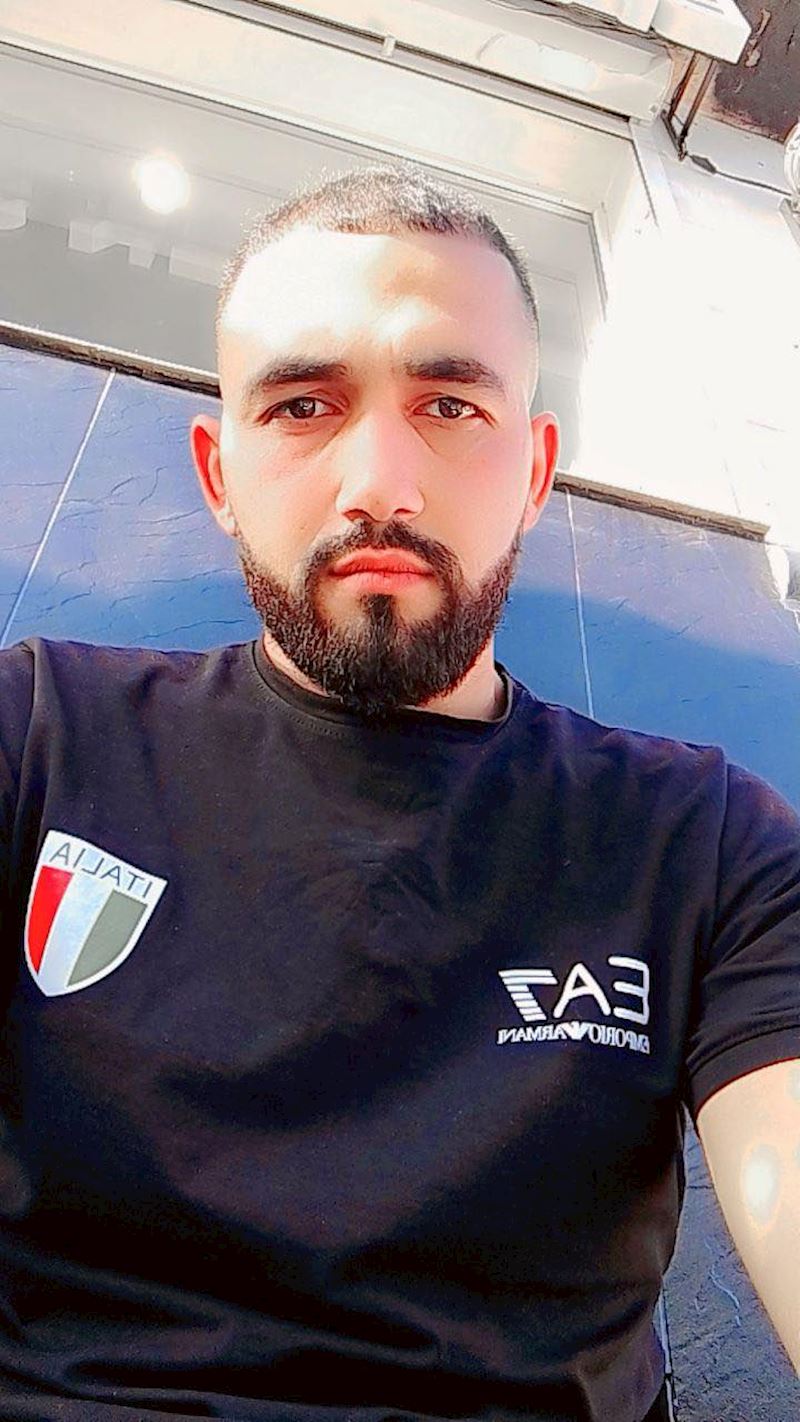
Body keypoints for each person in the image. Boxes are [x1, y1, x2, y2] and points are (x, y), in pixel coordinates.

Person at [0, 162, 797, 1422]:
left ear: (533, 472)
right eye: (303, 405)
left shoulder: (699, 842)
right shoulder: (35, 736)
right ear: (218, 475)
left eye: (450, 406)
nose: (378, 483)